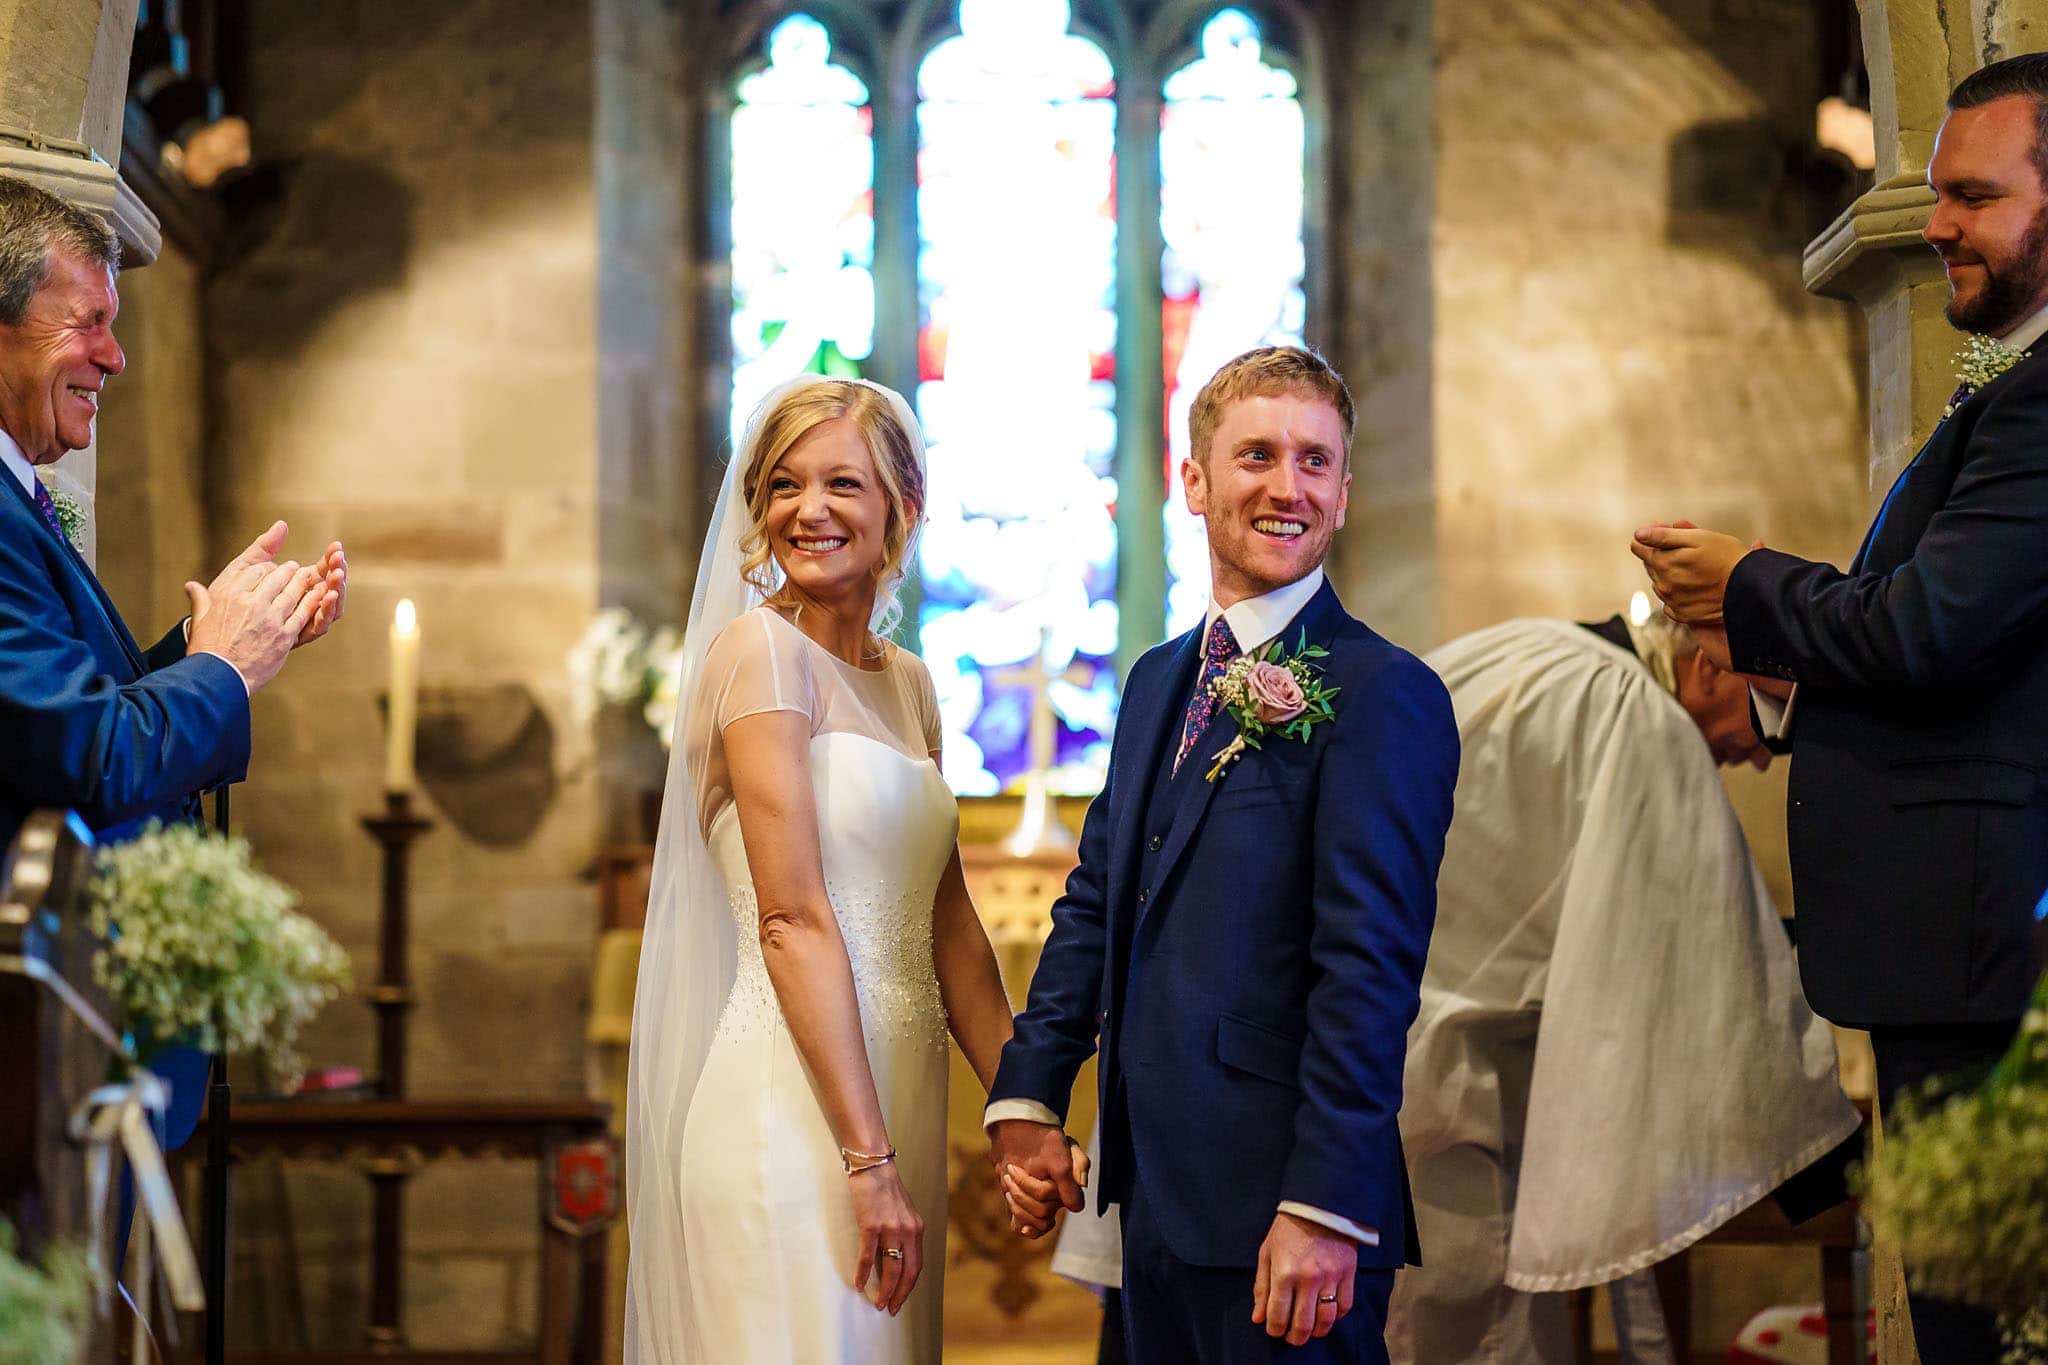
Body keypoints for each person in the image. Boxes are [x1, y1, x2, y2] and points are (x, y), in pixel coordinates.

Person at [1632, 53, 2048, 1363]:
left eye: (1973, 196)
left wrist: (1748, 582)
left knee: (1986, 1326)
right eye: (1935, 193)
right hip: (1956, 957)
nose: (1936, 226)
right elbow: (1965, 656)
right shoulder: (2012, 387)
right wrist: (1782, 680)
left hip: (1984, 957)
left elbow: (1927, 628)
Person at [986, 346, 1460, 1364]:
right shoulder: (1155, 682)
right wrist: (1030, 1094)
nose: (1288, 486)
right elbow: (1097, 901)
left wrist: (1324, 1205)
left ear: (1343, 491)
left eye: (1315, 461)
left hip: (1284, 1215)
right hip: (1151, 1200)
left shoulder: (1384, 693)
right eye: (1257, 456)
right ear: (1194, 482)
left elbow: (1368, 969)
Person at [620, 376, 1084, 1364]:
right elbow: (789, 918)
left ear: (900, 508)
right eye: (785, 485)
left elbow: (949, 929)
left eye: (841, 483)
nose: (809, 509)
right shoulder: (759, 652)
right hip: (790, 1119)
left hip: (894, 1106)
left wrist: (1023, 1110)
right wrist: (867, 1162)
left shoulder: (910, 684)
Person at [1384, 611, 1860, 1364]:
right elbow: (1707, 960)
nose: (1762, 757)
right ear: (1712, 661)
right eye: (1771, 714)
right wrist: (1832, 1175)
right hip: (1449, 1091)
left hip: (1374, 1053)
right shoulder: (1636, 717)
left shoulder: (1531, 644)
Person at [0, 176, 345, 1155]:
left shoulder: (18, 497)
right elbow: (91, 757)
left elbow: (65, 708)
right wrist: (220, 668)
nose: (115, 355)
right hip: (38, 1043)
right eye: (90, 322)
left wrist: (224, 641)